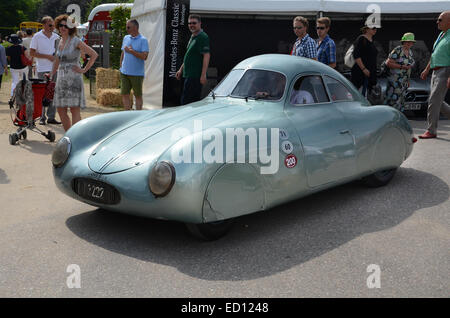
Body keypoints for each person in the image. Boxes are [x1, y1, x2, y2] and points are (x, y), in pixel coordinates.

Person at [48, 14, 98, 132]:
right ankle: (68, 135)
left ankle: (75, 137)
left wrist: (84, 70)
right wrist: (51, 74)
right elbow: (57, 60)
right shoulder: (58, 41)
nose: (63, 28)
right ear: (58, 26)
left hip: (74, 77)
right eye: (61, 25)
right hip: (61, 78)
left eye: (66, 26)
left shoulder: (75, 41)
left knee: (74, 109)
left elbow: (94, 54)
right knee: (60, 109)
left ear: (71, 28)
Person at [418, 11, 450, 139]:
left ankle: (431, 130)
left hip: (445, 70)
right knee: (438, 101)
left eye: (440, 19)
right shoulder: (441, 35)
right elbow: (434, 54)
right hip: (436, 71)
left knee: (433, 101)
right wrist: (427, 70)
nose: (437, 22)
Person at [30, 16, 61, 125]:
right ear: (43, 25)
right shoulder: (37, 37)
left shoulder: (57, 37)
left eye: (53, 24)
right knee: (42, 92)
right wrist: (47, 56)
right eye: (50, 25)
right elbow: (32, 53)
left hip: (55, 68)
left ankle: (51, 117)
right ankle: (42, 117)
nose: (52, 27)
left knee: (54, 92)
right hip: (42, 68)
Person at [176, 14, 211, 105]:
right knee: (187, 101)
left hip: (195, 76)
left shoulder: (202, 37)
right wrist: (180, 69)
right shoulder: (193, 36)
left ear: (200, 23)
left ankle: (193, 120)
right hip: (188, 74)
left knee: (190, 103)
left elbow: (206, 56)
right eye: (189, 23)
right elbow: (189, 55)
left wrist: (203, 75)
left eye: (194, 23)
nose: (191, 25)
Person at [119, 19, 149, 110]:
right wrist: (121, 65)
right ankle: (127, 114)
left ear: (135, 27)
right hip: (124, 72)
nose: (126, 29)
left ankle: (138, 115)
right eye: (126, 27)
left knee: (138, 95)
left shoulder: (143, 40)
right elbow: (123, 52)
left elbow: (144, 56)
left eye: (128, 27)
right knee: (124, 94)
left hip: (137, 74)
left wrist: (132, 52)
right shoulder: (126, 38)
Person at [384, 33, 416, 111]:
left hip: (404, 82)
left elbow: (409, 68)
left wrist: (408, 80)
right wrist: (402, 67)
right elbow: (388, 63)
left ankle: (398, 119)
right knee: (393, 101)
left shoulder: (410, 52)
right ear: (403, 42)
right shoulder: (398, 50)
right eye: (407, 41)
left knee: (401, 101)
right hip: (395, 81)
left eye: (411, 42)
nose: (409, 43)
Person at [351, 23, 379, 97]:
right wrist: (364, 69)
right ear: (366, 29)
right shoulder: (361, 39)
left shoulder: (371, 40)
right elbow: (356, 55)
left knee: (365, 96)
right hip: (361, 75)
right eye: (373, 28)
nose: (375, 29)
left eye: (376, 28)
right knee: (359, 97)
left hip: (368, 75)